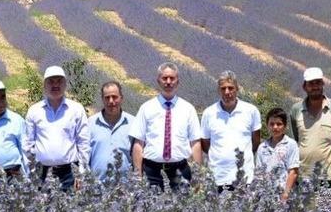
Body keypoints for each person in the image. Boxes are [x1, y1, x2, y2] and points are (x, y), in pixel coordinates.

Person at [130, 62, 202, 192]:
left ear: (178, 81)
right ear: (158, 81)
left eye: (172, 78)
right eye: (164, 78)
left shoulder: (188, 109)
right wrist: (137, 176)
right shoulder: (146, 108)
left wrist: (197, 176)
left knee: (181, 211)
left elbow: (195, 143)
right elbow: (138, 143)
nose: (168, 82)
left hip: (180, 171)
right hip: (152, 173)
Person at [23, 66, 90, 191]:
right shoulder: (34, 111)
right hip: (41, 173)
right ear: (44, 85)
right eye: (51, 81)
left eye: (59, 81)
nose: (55, 85)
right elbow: (28, 144)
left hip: (69, 173)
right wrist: (31, 173)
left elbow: (83, 143)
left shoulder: (76, 109)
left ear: (65, 84)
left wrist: (82, 173)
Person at [200, 71, 261, 191]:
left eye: (230, 88)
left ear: (237, 89)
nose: (227, 92)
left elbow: (255, 142)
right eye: (223, 89)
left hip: (245, 178)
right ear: (219, 91)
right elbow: (205, 143)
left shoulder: (251, 111)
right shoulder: (209, 113)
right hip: (218, 177)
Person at [287, 67, 331, 186]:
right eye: (311, 83)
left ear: (323, 83)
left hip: (329, 177)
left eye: (318, 82)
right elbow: (295, 141)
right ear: (304, 86)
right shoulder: (296, 110)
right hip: (303, 177)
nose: (315, 86)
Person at [88, 81, 135, 182]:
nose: (111, 101)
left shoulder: (133, 123)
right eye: (107, 97)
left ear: (121, 98)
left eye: (114, 97)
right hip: (96, 186)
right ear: (102, 99)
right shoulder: (90, 123)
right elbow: (84, 154)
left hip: (125, 187)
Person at [255, 108, 300, 202]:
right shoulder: (262, 147)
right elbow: (259, 173)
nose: (275, 127)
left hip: (284, 195)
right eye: (272, 124)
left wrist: (286, 193)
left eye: (279, 124)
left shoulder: (291, 144)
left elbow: (293, 171)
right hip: (266, 196)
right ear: (267, 125)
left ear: (285, 126)